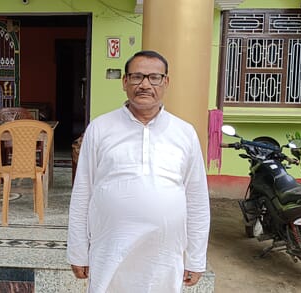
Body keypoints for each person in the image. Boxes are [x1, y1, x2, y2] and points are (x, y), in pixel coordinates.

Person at [67, 50, 210, 292]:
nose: (145, 84)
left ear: (166, 82)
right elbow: (83, 192)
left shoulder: (184, 133)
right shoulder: (100, 128)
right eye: (137, 77)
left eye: (154, 77)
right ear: (125, 82)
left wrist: (196, 258)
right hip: (110, 251)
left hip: (163, 255)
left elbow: (196, 200)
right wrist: (78, 251)